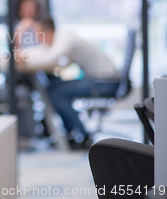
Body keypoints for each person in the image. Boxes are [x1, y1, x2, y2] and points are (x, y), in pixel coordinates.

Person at [16, 17, 120, 149]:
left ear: (47, 32)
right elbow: (46, 52)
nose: (39, 40)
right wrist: (24, 55)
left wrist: (24, 57)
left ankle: (81, 136)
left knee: (57, 93)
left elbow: (49, 58)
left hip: (104, 82)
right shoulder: (61, 36)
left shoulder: (64, 38)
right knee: (53, 89)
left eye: (39, 36)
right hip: (100, 79)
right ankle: (70, 132)